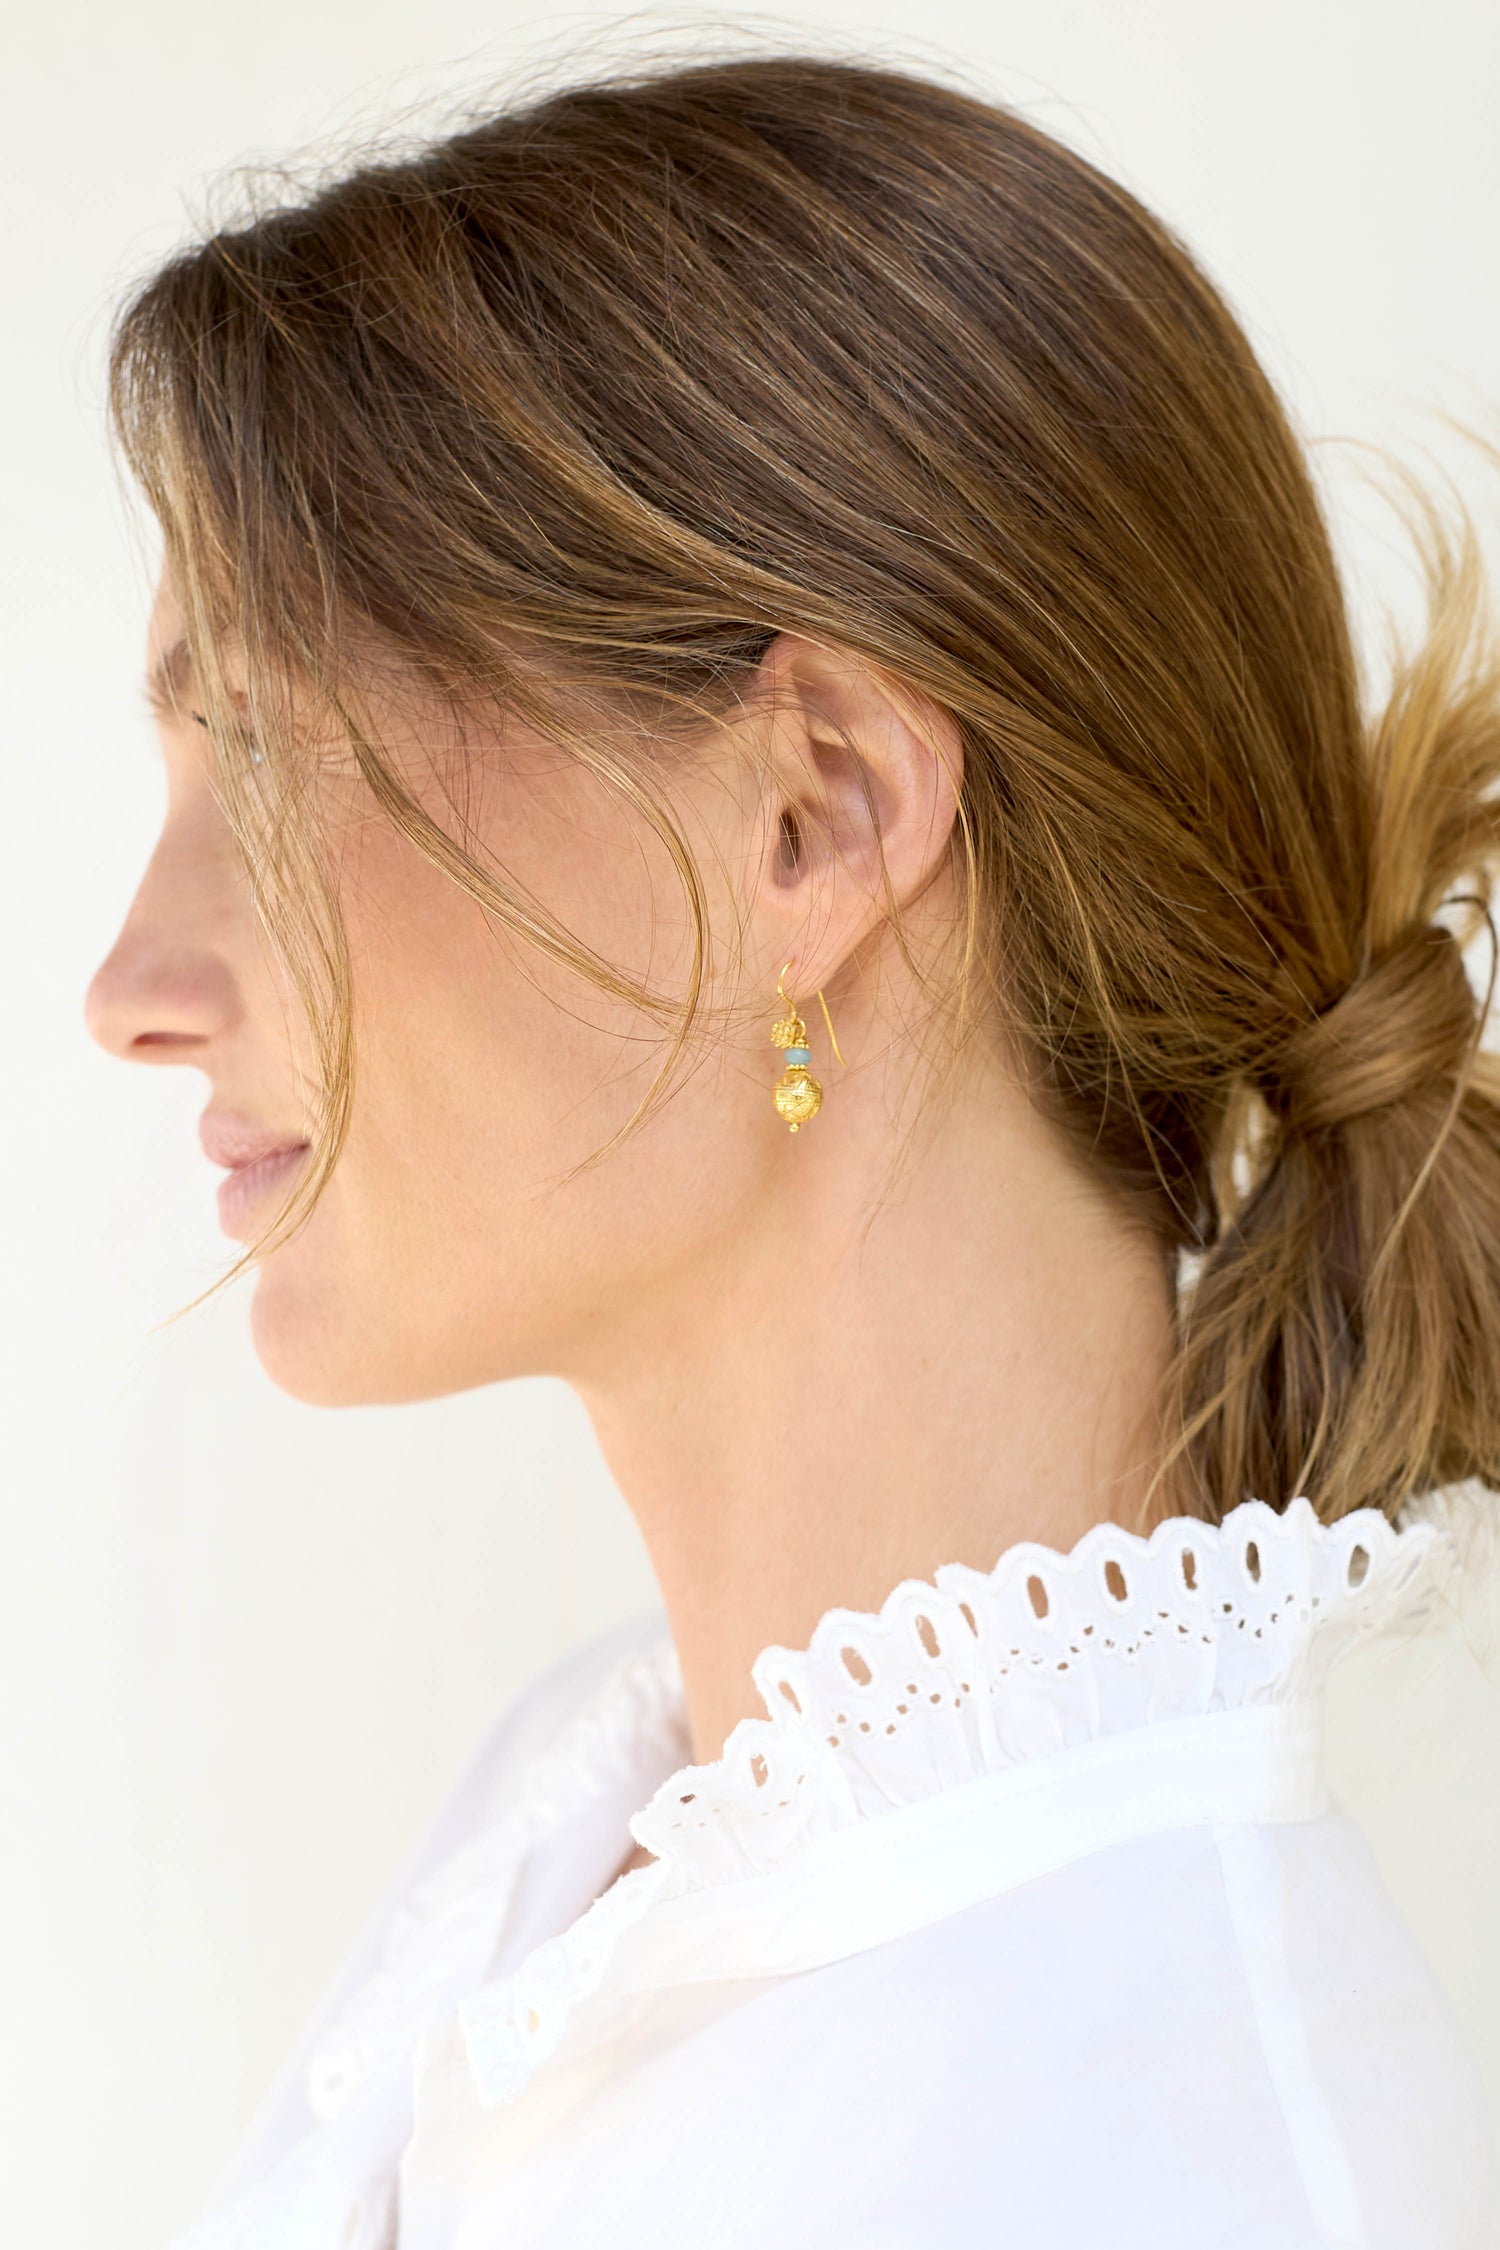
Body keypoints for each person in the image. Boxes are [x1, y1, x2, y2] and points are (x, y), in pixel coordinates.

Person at [85, 51, 1500, 2250]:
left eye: (260, 753)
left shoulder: (1194, 2154)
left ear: (808, 819)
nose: (128, 988)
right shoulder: (604, 1808)